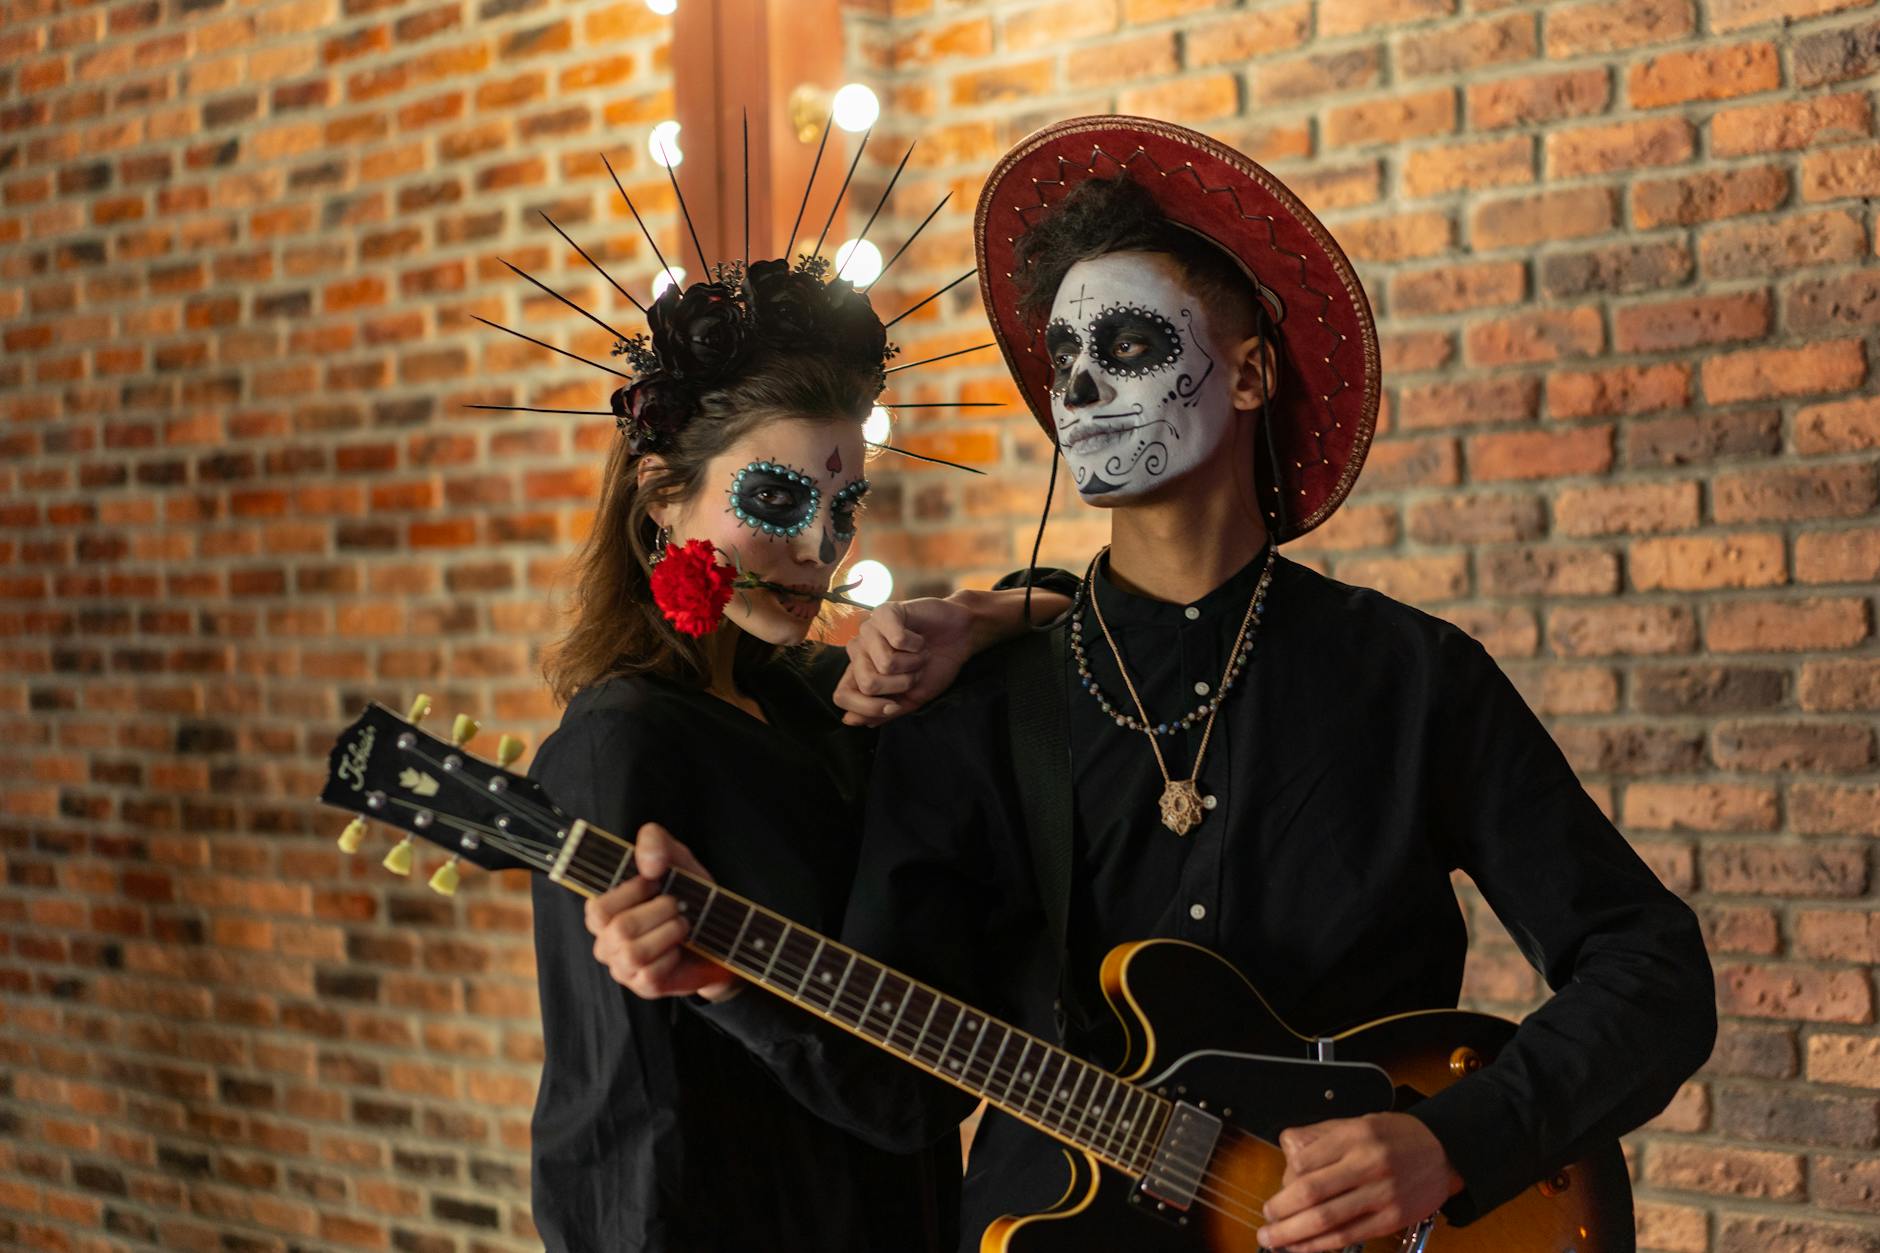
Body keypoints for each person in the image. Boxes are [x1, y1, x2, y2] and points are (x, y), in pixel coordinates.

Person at [587, 116, 1716, 1253]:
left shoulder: (1409, 679)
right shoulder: (972, 707)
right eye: (1063, 360)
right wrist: (728, 979)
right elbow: (899, 1093)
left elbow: (1652, 969)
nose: (1079, 390)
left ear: (1251, 369)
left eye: (1124, 345)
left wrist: (1454, 1140)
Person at [524, 234, 1069, 1252]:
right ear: (658, 499)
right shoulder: (619, 746)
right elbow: (620, 1124)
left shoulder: (825, 704)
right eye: (776, 498)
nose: (820, 548)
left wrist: (976, 617)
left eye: (843, 506)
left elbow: (1083, 633)